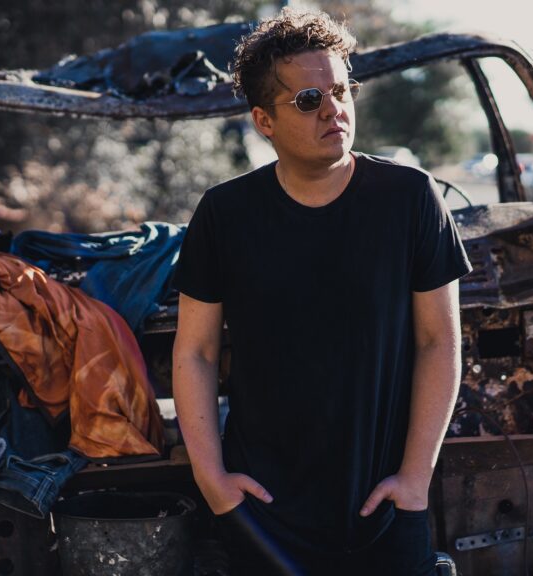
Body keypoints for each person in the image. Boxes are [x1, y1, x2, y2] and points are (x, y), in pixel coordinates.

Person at [172, 8, 472, 575]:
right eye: (309, 100)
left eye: (340, 91)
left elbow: (440, 342)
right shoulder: (224, 214)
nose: (334, 109)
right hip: (262, 513)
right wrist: (212, 480)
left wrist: (415, 479)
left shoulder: (410, 198)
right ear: (264, 120)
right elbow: (196, 352)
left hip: (384, 508)